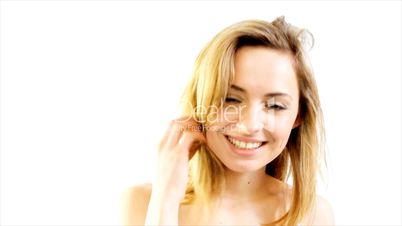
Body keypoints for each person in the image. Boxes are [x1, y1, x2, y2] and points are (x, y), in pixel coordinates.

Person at [123, 16, 335, 225]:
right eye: (230, 99)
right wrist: (165, 202)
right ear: (199, 101)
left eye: (275, 106)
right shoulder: (143, 202)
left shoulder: (314, 216)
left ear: (298, 116)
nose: (250, 125)